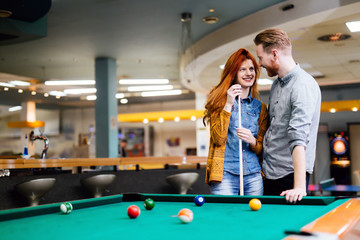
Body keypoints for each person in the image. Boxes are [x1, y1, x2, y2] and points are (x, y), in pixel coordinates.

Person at [253, 28, 321, 203]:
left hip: (289, 177)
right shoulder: (276, 84)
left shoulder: (303, 85)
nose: (259, 64)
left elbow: (299, 136)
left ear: (275, 54)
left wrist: (299, 186)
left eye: (260, 58)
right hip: (269, 173)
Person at [204, 48, 269, 196]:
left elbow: (261, 149)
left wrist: (252, 141)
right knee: (225, 217)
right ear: (233, 73)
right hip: (224, 175)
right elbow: (218, 138)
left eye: (251, 69)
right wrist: (228, 104)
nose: (248, 73)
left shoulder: (261, 108)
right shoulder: (219, 103)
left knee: (253, 218)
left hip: (253, 175)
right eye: (242, 69)